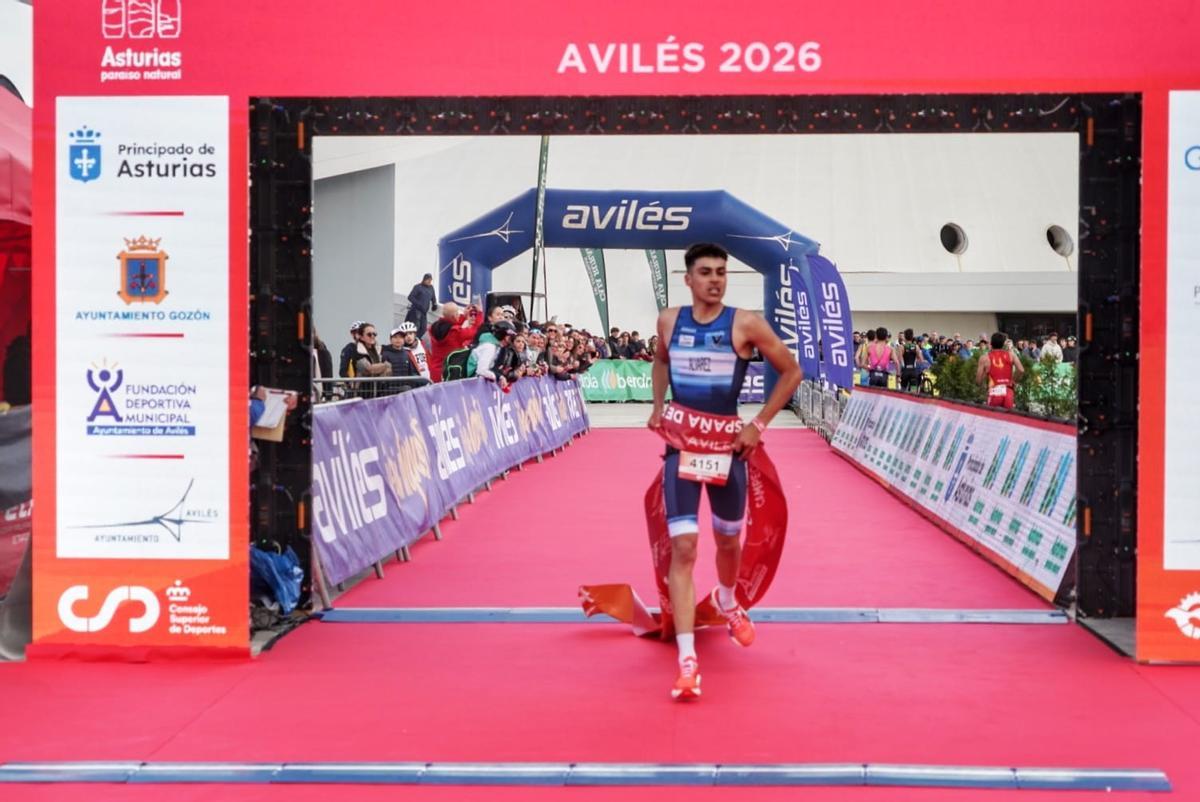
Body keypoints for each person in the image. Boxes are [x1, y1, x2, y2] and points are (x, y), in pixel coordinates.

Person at [647, 243, 802, 701]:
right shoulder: (669, 320)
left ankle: (727, 599)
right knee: (685, 545)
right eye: (706, 273)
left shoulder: (745, 323)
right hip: (682, 446)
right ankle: (688, 660)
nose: (715, 280)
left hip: (729, 449)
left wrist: (758, 424)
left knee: (729, 539)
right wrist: (658, 407)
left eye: (721, 273)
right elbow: (660, 360)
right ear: (688, 279)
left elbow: (791, 371)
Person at [428, 302, 482, 382]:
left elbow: (450, 324)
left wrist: (464, 316)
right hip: (450, 372)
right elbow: (475, 331)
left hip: (435, 372)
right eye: (457, 313)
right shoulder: (456, 333)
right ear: (454, 316)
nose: (459, 315)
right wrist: (480, 314)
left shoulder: (433, 328)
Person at [976, 331, 1025, 409]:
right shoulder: (1011, 355)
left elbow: (978, 380)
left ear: (991, 343)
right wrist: (1013, 381)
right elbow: (1021, 370)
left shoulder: (984, 358)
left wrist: (983, 387)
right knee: (1008, 419)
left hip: (994, 391)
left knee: (993, 419)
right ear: (1003, 344)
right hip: (1008, 390)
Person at [469, 320, 518, 389]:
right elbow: (481, 370)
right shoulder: (489, 347)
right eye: (509, 338)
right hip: (471, 380)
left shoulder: (495, 346)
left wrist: (500, 377)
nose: (510, 341)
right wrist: (495, 377)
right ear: (502, 335)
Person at [404, 273, 438, 338]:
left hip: (424, 312)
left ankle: (417, 339)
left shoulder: (431, 288)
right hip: (416, 311)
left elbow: (433, 297)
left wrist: (434, 304)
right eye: (428, 280)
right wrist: (419, 305)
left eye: (430, 280)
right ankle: (413, 341)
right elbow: (410, 297)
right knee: (415, 327)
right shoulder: (418, 287)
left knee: (423, 328)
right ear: (424, 279)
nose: (429, 281)